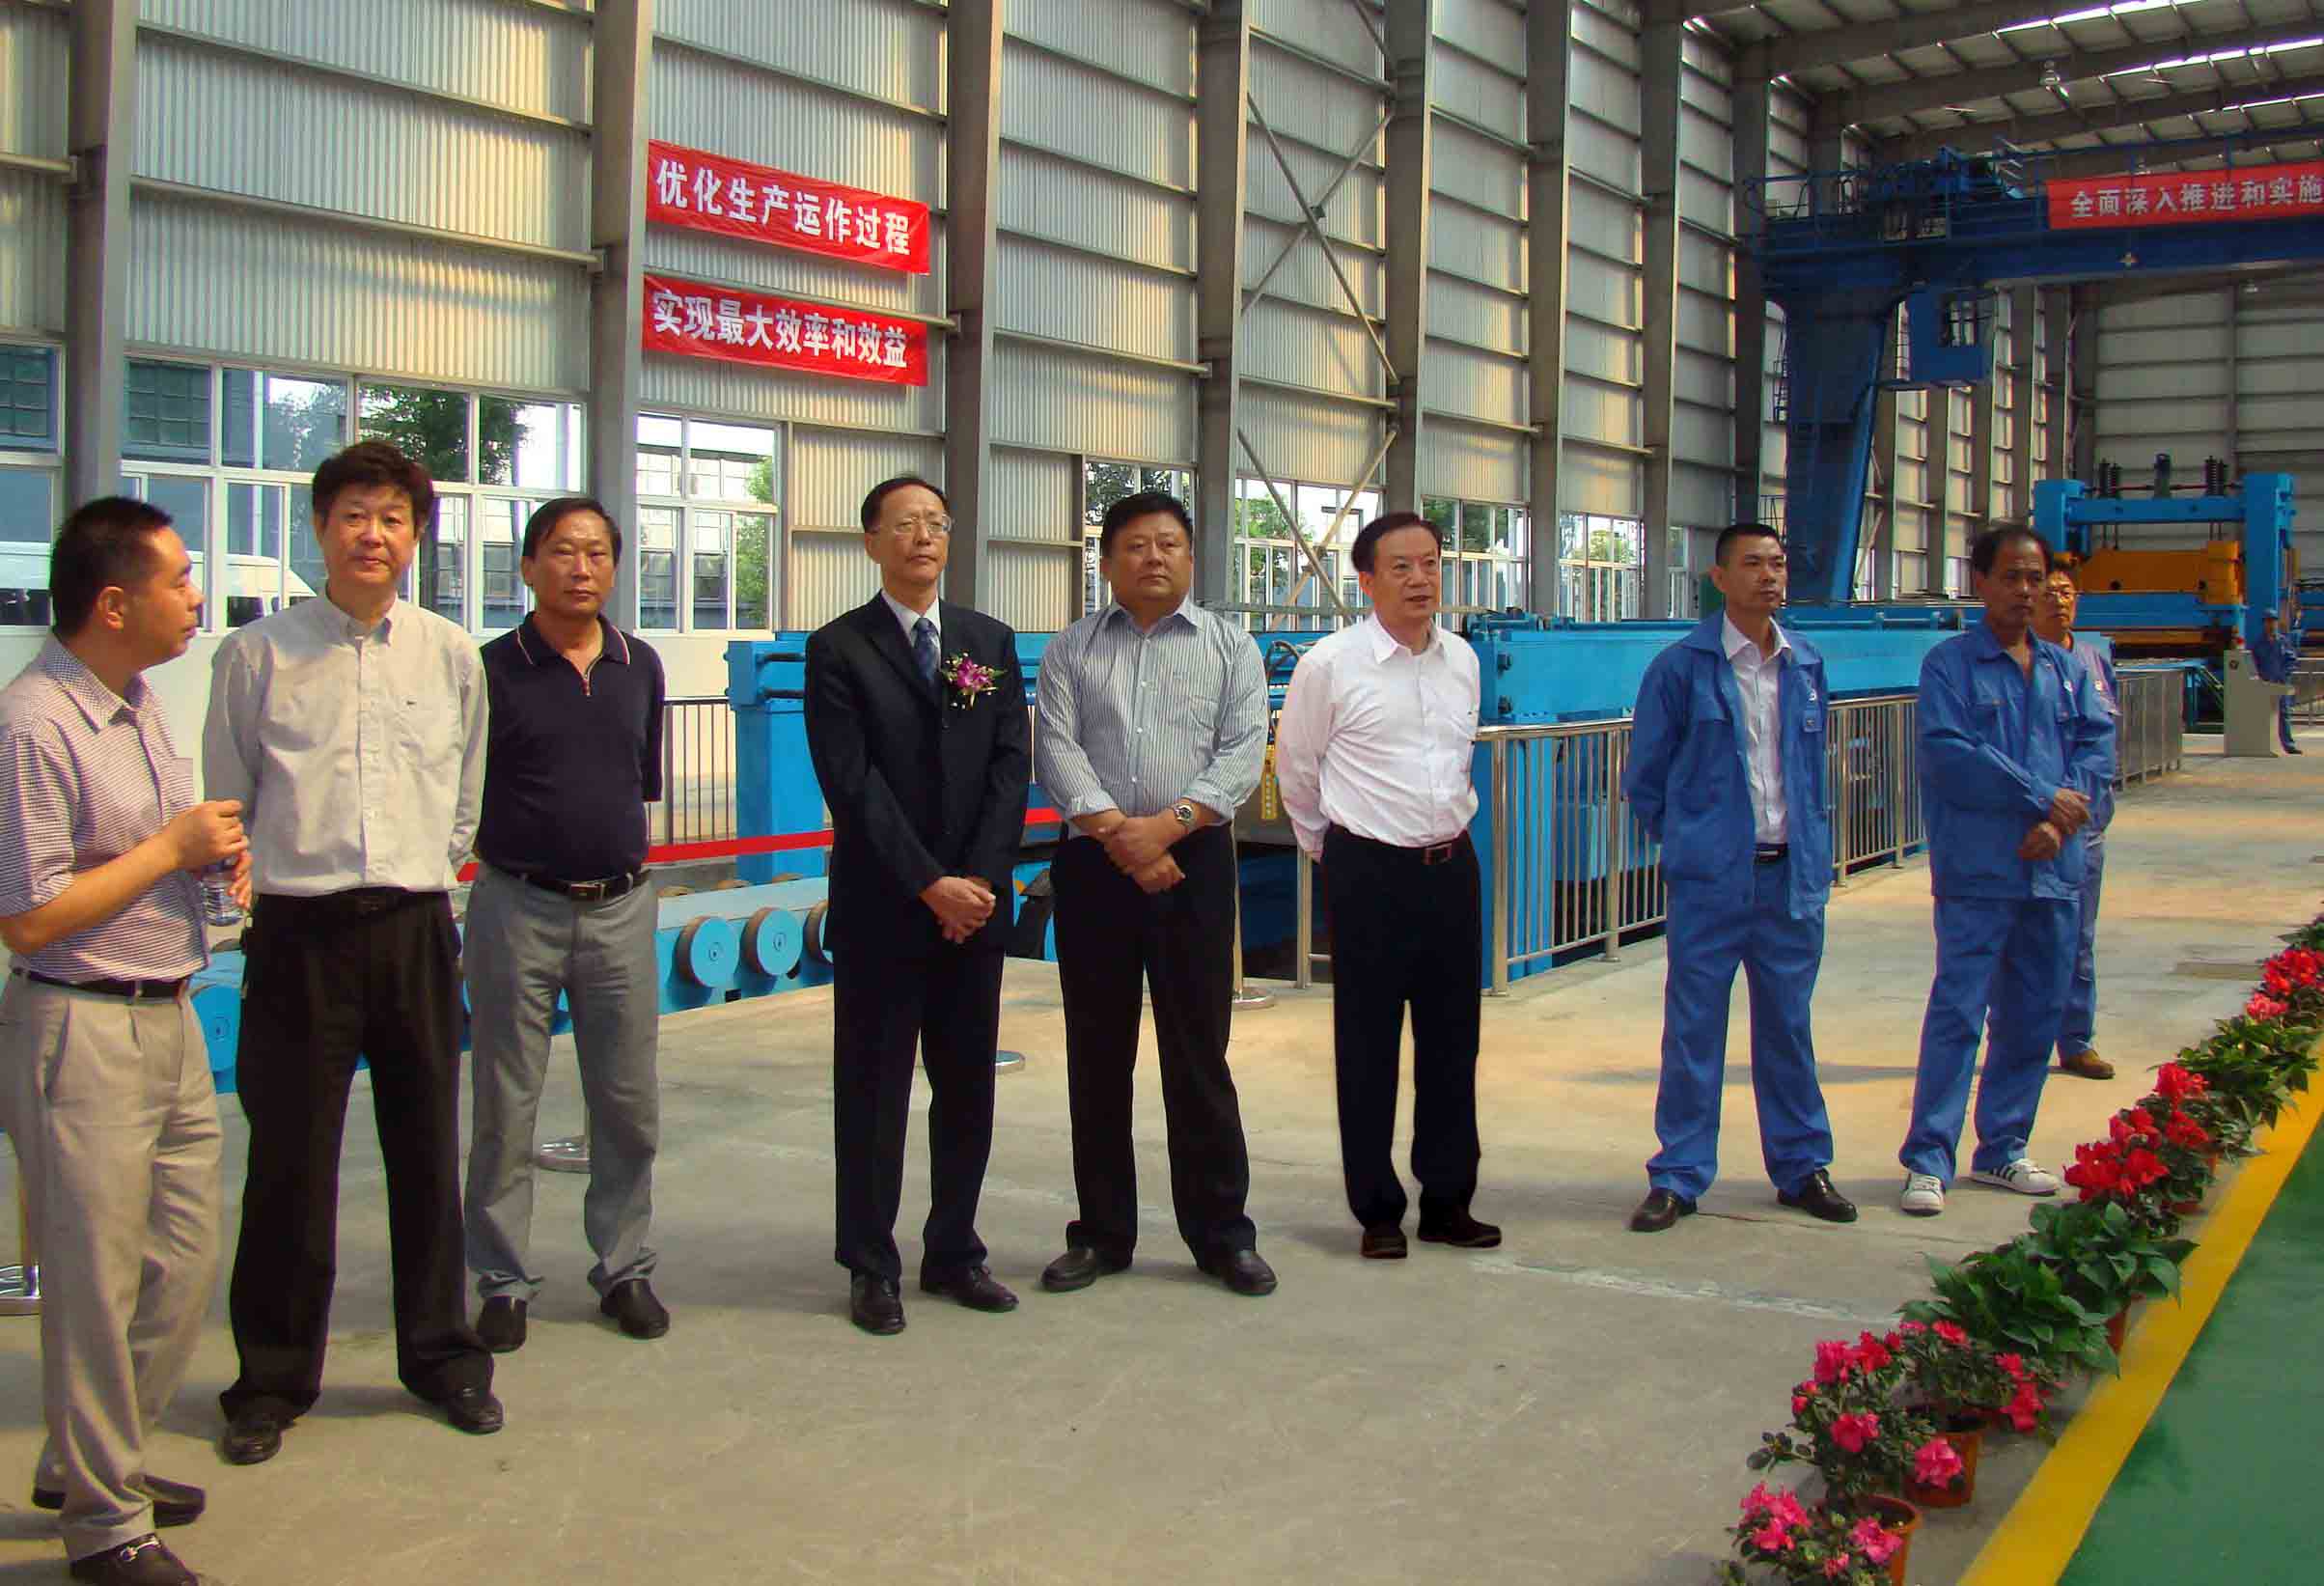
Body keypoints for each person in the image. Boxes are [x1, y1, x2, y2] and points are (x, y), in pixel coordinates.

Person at [204, 440, 500, 1462]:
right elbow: (229, 797)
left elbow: (464, 795)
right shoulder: (257, 656)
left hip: (414, 927)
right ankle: (271, 1378)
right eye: (354, 516)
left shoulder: (450, 655)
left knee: (426, 1151)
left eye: (393, 518)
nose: (373, 535)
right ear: (320, 529)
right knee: (289, 1162)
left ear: (416, 537)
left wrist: (427, 869)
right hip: (298, 935)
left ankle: (442, 1355)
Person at [0, 499, 245, 1586]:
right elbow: (29, 915)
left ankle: (87, 1462)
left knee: (180, 1260)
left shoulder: (139, 703)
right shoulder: (33, 722)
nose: (196, 596)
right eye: (179, 578)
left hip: (169, 1011)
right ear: (113, 603)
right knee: (93, 1283)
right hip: (81, 1022)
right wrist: (171, 848)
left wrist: (211, 861)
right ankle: (104, 1525)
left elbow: (150, 854)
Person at [1032, 491, 1275, 1298]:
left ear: (1191, 557)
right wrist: (1120, 836)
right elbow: (1056, 749)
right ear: (1106, 562)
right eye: (1136, 545)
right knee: (1098, 1055)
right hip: (1095, 867)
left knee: (1198, 1053)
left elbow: (1242, 750)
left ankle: (1221, 1234)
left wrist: (1165, 829)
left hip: (1192, 863)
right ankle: (1102, 1234)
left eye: (1169, 543)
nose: (1154, 557)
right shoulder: (1070, 650)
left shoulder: (1231, 647)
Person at [804, 476, 1031, 1335]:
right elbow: (851, 781)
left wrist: (980, 881)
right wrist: (929, 882)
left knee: (967, 1085)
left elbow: (1010, 766)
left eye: (935, 522)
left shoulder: (986, 642)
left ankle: (955, 1250)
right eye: (904, 524)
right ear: (872, 542)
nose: (923, 537)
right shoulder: (839, 649)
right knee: (873, 1090)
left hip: (972, 909)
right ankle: (870, 1262)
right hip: (883, 907)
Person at [463, 497, 670, 1353]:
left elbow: (638, 780)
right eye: (561, 551)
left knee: (626, 1102)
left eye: (596, 553)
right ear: (528, 566)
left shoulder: (639, 664)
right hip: (518, 905)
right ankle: (502, 1279)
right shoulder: (489, 669)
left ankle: (623, 1268)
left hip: (620, 908)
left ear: (615, 568)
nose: (580, 568)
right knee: (505, 1102)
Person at [1273, 511, 1498, 1261]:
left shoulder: (1462, 659)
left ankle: (1448, 1201)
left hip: (1451, 868)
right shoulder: (1331, 665)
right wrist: (1333, 850)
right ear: (1366, 581)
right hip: (1368, 871)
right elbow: (1296, 770)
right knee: (1367, 1044)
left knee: (1453, 1042)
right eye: (1401, 566)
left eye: (1430, 563)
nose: (1420, 579)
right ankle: (1376, 1210)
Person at [1619, 524, 1854, 1234]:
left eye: (1777, 563)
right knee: (1694, 1030)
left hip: (1789, 879)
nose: (1769, 575)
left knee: (1789, 1027)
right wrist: (1696, 843)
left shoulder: (1805, 663)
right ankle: (1679, 1174)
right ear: (1719, 579)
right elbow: (1645, 778)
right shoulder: (1680, 669)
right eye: (1752, 563)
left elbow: (1810, 769)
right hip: (1711, 884)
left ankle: (1802, 1166)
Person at [1898, 527, 2114, 1217]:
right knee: (1958, 1013)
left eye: (2036, 577)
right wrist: (2042, 796)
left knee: (2033, 1013)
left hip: (2054, 871)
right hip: (1980, 870)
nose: (2027, 590)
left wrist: (2061, 823)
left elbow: (2097, 749)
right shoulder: (1950, 667)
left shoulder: (2067, 671)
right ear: (1981, 582)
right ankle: (1929, 1158)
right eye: (2012, 577)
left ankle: (2003, 1147)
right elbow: (1950, 753)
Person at [2034, 567, 2118, 1081]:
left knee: (2078, 940)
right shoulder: (2021, 663)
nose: (2059, 601)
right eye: (2049, 593)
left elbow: (2102, 741)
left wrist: (2080, 807)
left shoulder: (2094, 660)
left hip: (2084, 829)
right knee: (2024, 944)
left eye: (2066, 592)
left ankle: (2076, 1040)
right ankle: (2019, 1039)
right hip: (2034, 828)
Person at [2254, 610, 2302, 754]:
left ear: (2276, 623)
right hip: (2265, 685)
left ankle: (2288, 745)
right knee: (2263, 714)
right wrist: (2259, 678)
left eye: (2273, 621)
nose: (2271, 624)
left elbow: (2292, 660)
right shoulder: (2258, 644)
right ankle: (2263, 744)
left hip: (2281, 684)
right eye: (2268, 621)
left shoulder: (2283, 641)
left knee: (2284, 713)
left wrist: (2284, 675)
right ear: (2264, 623)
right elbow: (2253, 664)